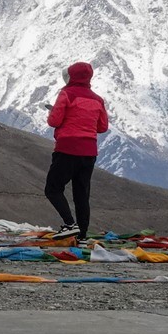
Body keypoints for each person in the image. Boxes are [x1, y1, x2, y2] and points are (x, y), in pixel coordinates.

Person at [45, 62, 109, 241]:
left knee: (53, 188)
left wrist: (53, 114)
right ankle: (82, 234)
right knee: (82, 194)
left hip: (67, 148)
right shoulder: (98, 99)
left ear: (71, 76)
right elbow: (102, 127)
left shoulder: (67, 94)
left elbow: (54, 121)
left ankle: (69, 224)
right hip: (89, 152)